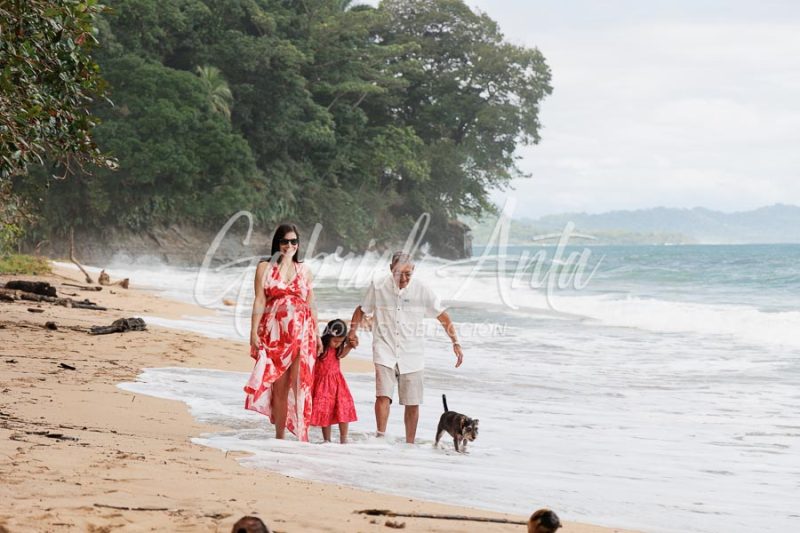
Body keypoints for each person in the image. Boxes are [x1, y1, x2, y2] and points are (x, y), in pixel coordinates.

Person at [348, 251, 464, 443]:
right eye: (398, 273)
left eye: (407, 274)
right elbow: (362, 310)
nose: (403, 278)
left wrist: (456, 343)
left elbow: (442, 316)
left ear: (413, 270)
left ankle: (410, 444)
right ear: (390, 269)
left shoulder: (422, 289)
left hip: (412, 353)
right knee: (383, 395)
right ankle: (380, 437)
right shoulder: (378, 286)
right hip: (384, 348)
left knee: (412, 402)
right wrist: (352, 333)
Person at [244, 224, 322, 442]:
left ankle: (300, 436)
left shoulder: (304, 269)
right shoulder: (265, 268)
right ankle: (280, 436)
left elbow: (311, 303)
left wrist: (317, 335)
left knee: (300, 384)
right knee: (279, 386)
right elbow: (260, 300)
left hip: (303, 333)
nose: (290, 245)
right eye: (285, 241)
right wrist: (253, 331)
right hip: (275, 335)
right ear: (277, 243)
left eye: (294, 241)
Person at [311, 319, 358, 443]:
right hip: (322, 385)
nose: (337, 344)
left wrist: (349, 346)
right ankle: (327, 440)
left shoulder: (337, 349)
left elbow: (341, 354)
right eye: (335, 341)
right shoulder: (321, 347)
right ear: (328, 336)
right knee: (325, 411)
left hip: (337, 383)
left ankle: (344, 438)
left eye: (340, 342)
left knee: (343, 407)